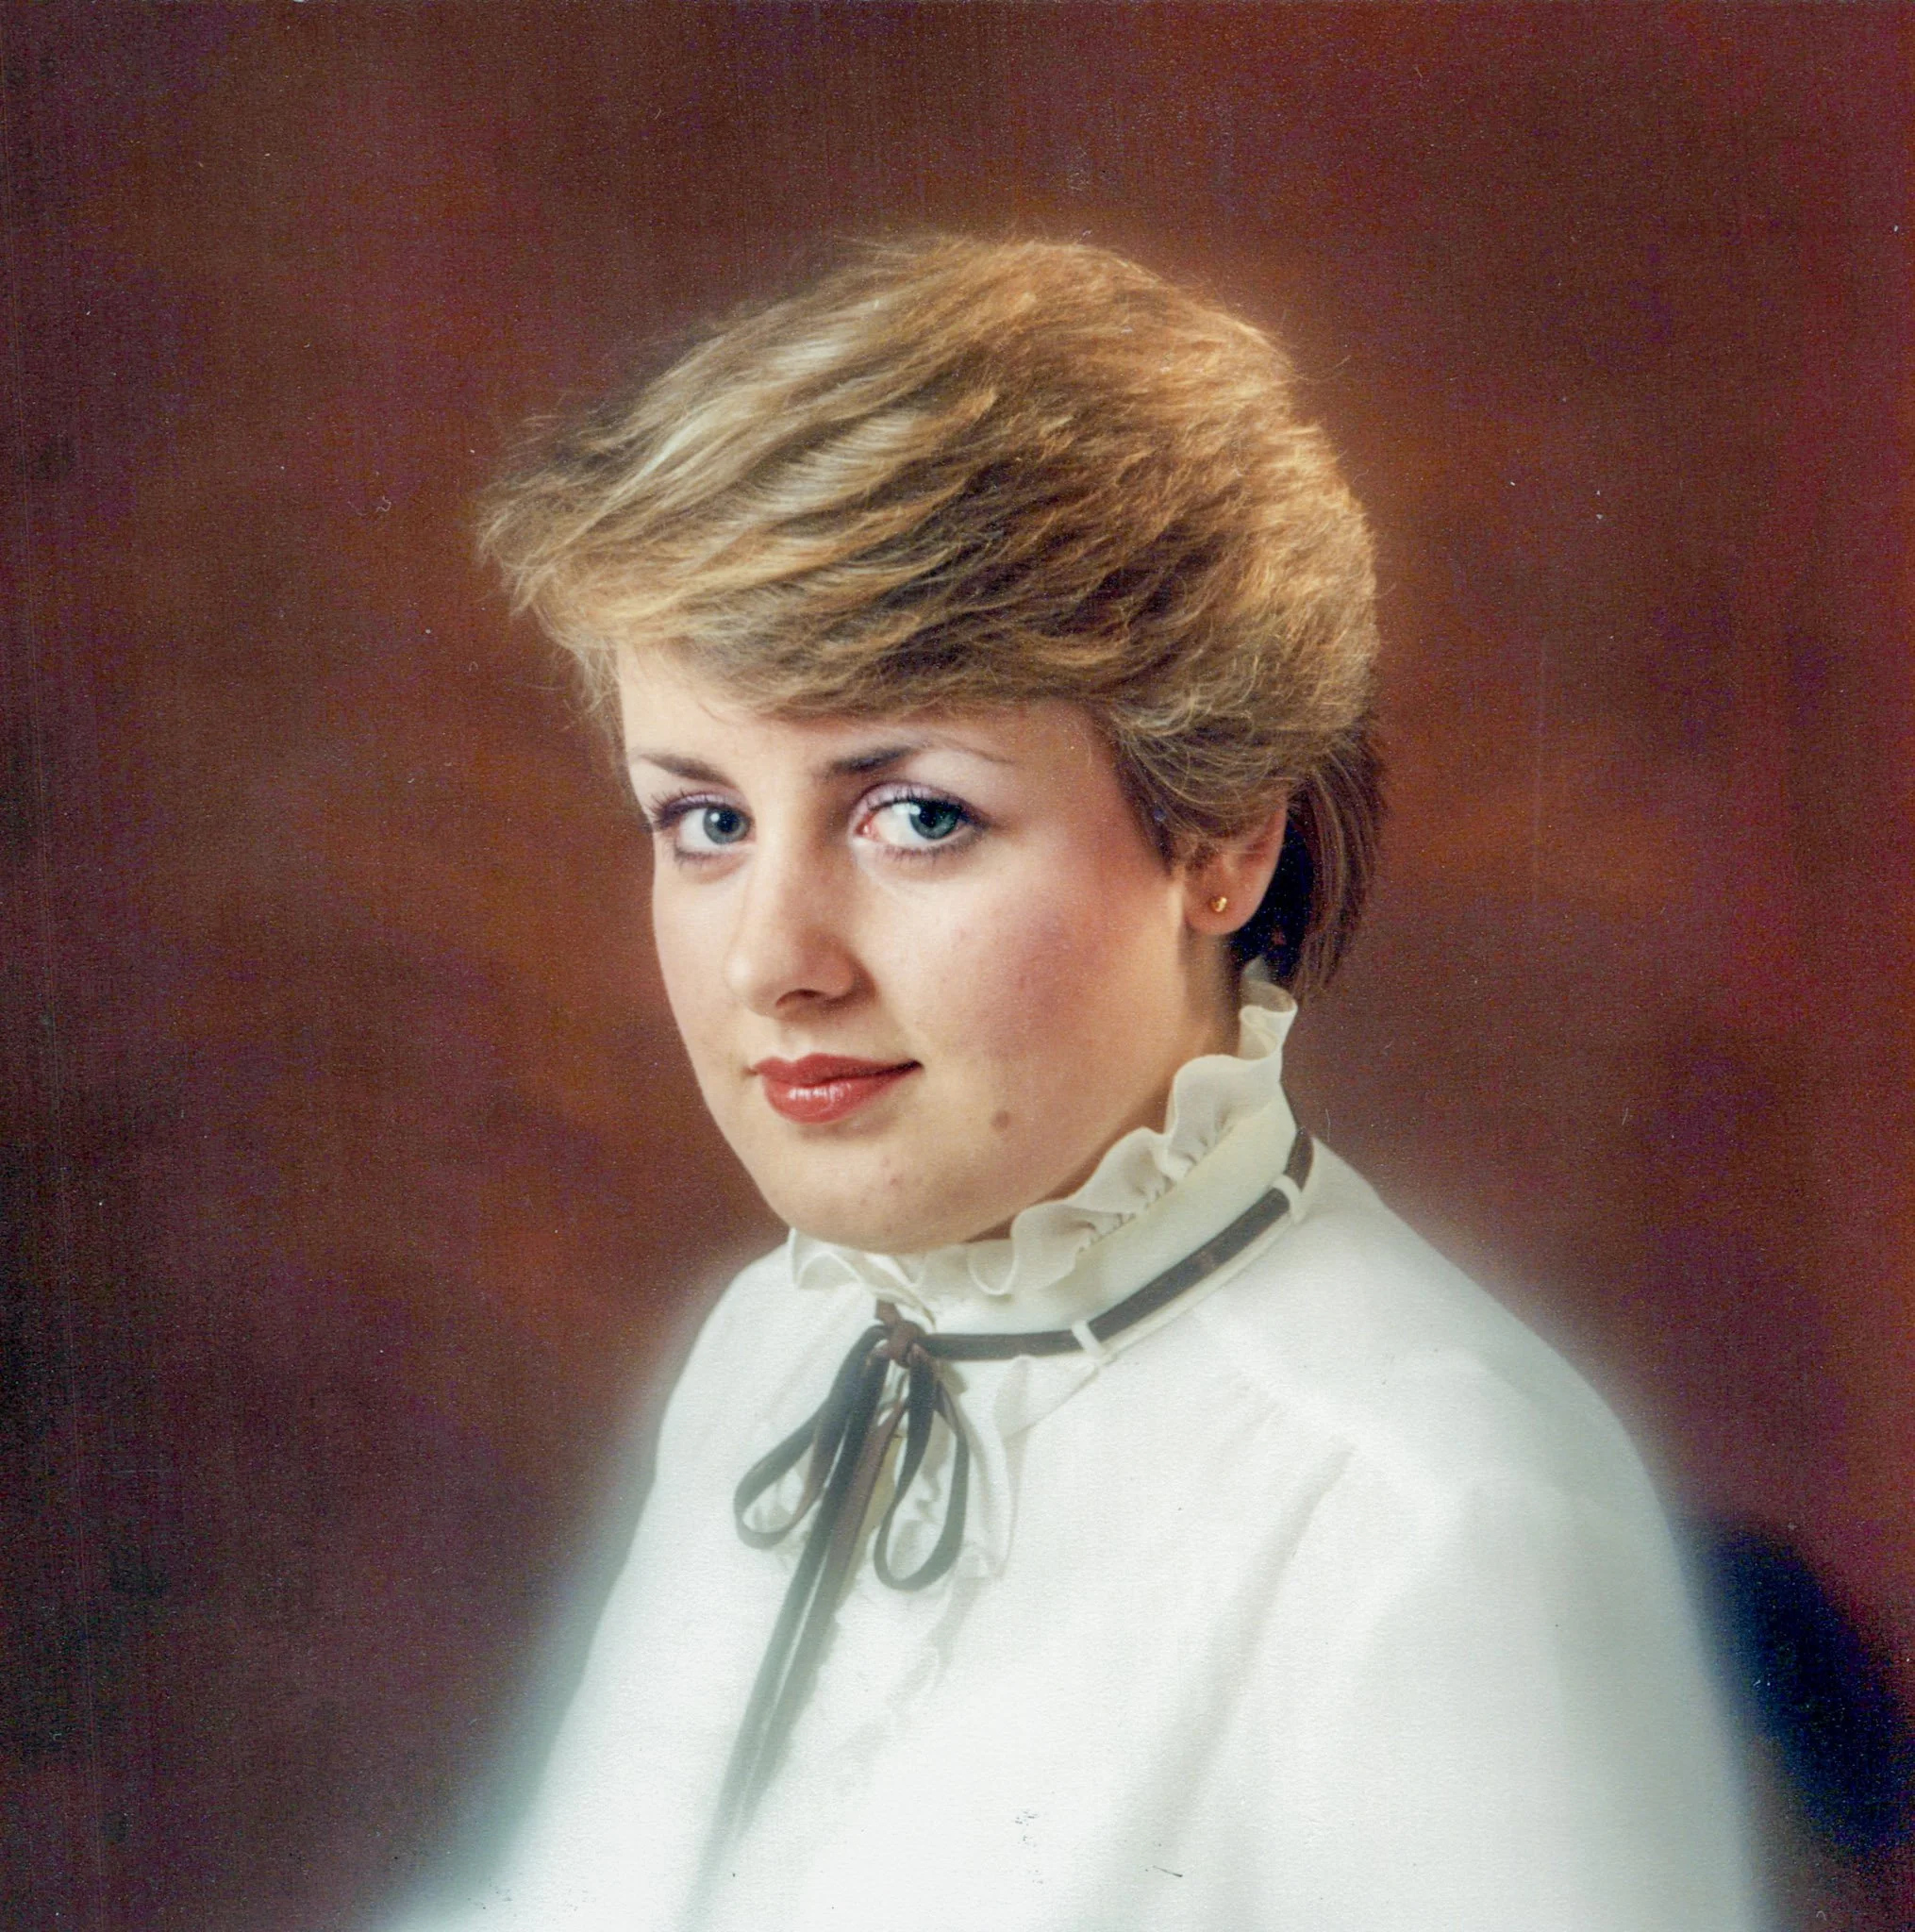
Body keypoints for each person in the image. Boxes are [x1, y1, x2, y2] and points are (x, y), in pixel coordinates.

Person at [405, 236, 1756, 1930]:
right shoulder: (777, 1348)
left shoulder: (1433, 1511)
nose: (771, 962)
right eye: (706, 819)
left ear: (1221, 837)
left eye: (916, 816)